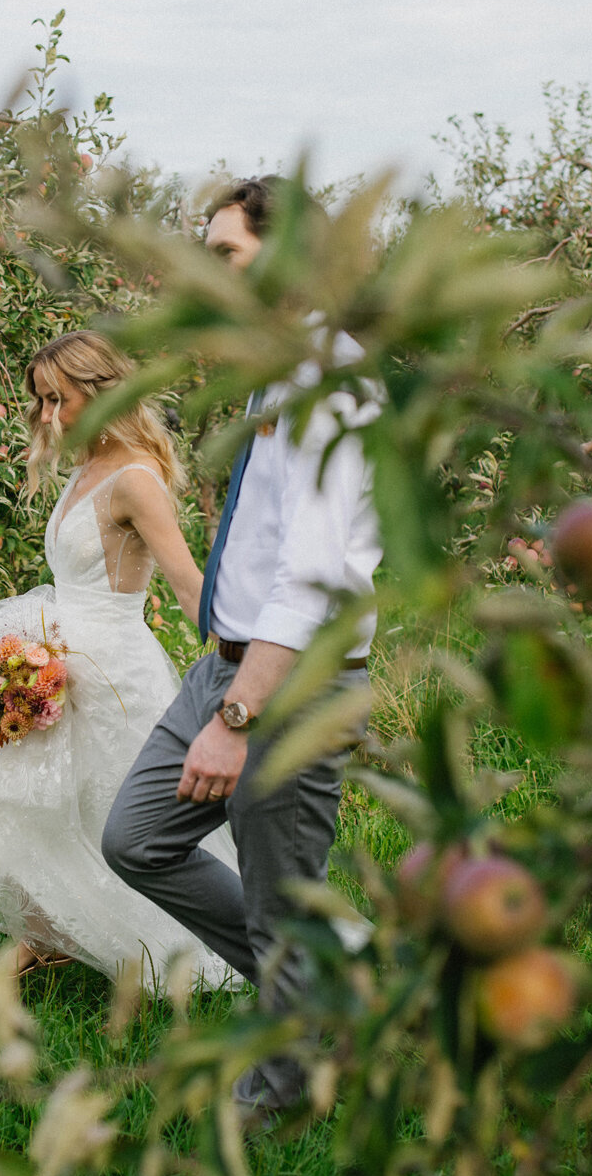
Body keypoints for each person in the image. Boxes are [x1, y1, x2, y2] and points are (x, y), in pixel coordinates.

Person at [100, 176, 382, 1119]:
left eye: (225, 252)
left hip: (285, 679)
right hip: (229, 658)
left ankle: (286, 1095)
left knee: (281, 902)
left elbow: (314, 572)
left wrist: (237, 713)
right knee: (138, 837)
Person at [0, 330, 239, 987]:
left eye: (56, 400)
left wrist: (242, 674)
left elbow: (189, 585)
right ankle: (58, 936)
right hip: (56, 669)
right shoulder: (83, 469)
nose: (47, 416)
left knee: (96, 823)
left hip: (112, 679)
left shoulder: (134, 480)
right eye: (40, 402)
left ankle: (90, 943)